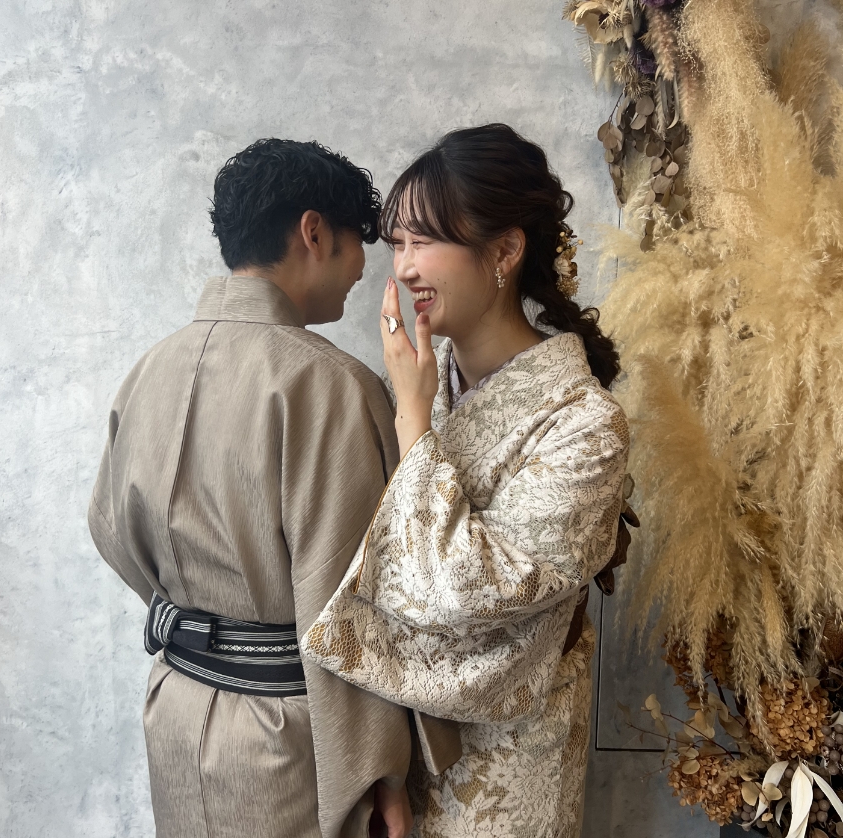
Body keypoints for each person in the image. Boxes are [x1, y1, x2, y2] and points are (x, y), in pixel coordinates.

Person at [88, 138, 456, 838]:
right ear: (313, 233)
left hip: (176, 705)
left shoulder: (149, 370)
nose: (364, 271)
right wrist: (380, 772)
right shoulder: (331, 386)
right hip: (286, 739)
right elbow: (352, 602)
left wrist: (200, 615)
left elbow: (109, 528)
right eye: (358, 245)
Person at [302, 124, 632, 838]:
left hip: (508, 777)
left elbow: (464, 593)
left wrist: (413, 421)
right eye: (396, 244)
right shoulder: (426, 384)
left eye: (424, 241)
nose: (404, 268)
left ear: (505, 251)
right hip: (398, 764)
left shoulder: (584, 424)